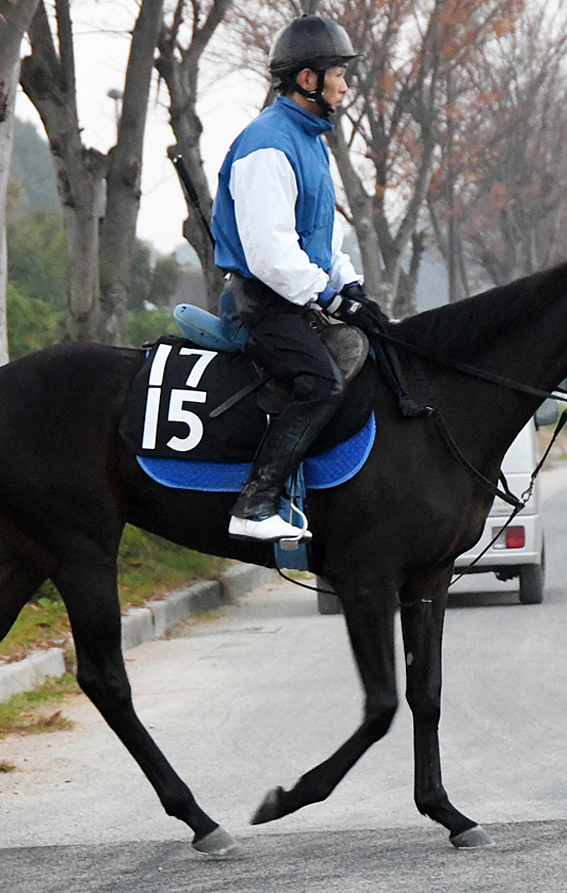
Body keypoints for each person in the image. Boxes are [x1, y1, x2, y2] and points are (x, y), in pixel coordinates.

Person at [211, 14, 387, 543]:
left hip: (292, 298)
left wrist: (350, 286)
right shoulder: (267, 144)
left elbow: (319, 237)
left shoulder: (310, 142)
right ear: (308, 80)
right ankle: (256, 501)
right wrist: (328, 295)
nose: (345, 84)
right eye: (338, 73)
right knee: (321, 382)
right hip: (261, 305)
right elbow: (270, 255)